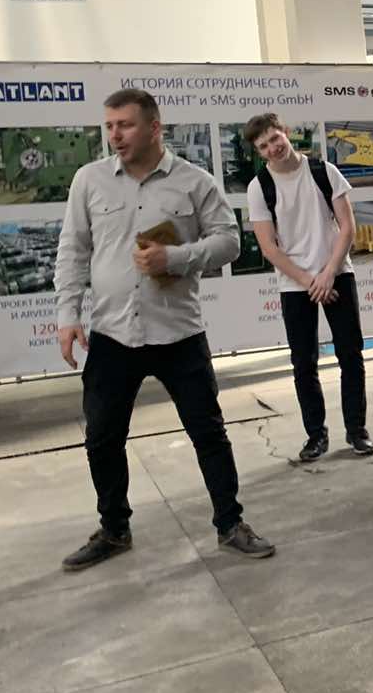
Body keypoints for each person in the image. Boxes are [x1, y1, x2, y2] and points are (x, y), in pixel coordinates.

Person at [56, 88, 275, 570]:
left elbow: (229, 242)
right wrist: (68, 315)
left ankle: (230, 524)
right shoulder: (89, 181)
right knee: (102, 439)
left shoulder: (194, 182)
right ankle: (114, 530)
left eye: (125, 125)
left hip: (178, 333)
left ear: (154, 127)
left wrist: (176, 258)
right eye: (109, 126)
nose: (115, 135)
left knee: (208, 433)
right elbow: (72, 251)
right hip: (113, 334)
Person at [245, 113, 373, 463]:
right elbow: (269, 247)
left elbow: (347, 227)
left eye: (275, 138)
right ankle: (316, 435)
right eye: (263, 146)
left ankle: (357, 430)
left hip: (337, 273)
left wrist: (328, 273)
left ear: (286, 132)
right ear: (258, 152)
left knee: (351, 355)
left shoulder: (323, 171)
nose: (273, 148)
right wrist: (308, 281)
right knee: (304, 363)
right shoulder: (259, 187)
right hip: (294, 284)